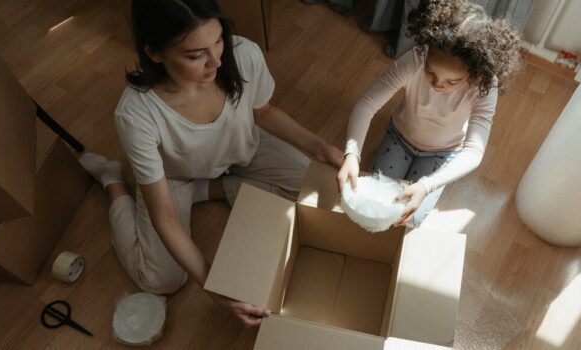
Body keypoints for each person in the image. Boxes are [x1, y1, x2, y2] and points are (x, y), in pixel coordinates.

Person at [78, 0, 342, 327]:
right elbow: (165, 218)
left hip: (241, 148)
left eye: (218, 40)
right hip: (174, 176)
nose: (216, 60)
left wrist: (324, 150)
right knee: (162, 280)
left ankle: (210, 189)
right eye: (195, 54)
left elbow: (265, 113)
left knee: (320, 187)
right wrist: (213, 286)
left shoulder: (243, 54)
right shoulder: (136, 114)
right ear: (155, 53)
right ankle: (113, 182)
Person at [336, 0, 522, 226]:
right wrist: (352, 154)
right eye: (430, 72)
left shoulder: (484, 83)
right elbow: (367, 104)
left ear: (474, 73)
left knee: (409, 218)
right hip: (400, 137)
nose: (437, 84)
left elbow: (474, 151)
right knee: (374, 202)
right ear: (426, 53)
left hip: (444, 151)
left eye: (453, 81)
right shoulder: (415, 59)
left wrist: (427, 185)